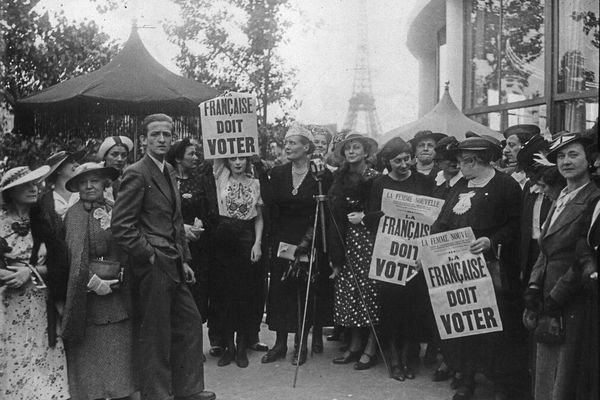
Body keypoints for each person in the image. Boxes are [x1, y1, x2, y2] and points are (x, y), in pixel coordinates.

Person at [111, 113, 215, 400]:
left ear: (171, 139)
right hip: (154, 265)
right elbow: (122, 226)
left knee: (190, 323)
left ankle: (188, 389)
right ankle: (157, 394)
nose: (161, 139)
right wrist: (150, 255)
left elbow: (175, 220)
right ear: (144, 139)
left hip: (174, 262)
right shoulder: (136, 172)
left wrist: (183, 259)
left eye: (166, 135)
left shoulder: (169, 170)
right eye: (155, 134)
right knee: (156, 333)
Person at [431, 137, 529, 400]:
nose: (460, 166)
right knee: (463, 324)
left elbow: (516, 224)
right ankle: (466, 377)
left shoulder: (505, 186)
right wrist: (428, 250)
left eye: (463, 161)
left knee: (495, 325)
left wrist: (491, 241)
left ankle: (500, 381)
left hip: (490, 267)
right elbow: (442, 221)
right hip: (456, 267)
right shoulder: (460, 184)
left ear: (475, 161)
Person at [524, 133, 600, 400]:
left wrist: (556, 299)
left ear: (588, 160)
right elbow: (545, 248)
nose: (566, 161)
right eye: (560, 156)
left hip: (572, 299)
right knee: (546, 372)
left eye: (573, 154)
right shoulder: (561, 197)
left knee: (566, 376)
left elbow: (586, 256)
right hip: (547, 295)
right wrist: (534, 286)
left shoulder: (594, 199)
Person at [62, 162, 137, 400]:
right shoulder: (73, 216)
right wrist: (93, 282)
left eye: (93, 180)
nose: (88, 186)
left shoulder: (115, 208)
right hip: (89, 296)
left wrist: (123, 273)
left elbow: (126, 244)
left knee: (117, 351)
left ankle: (120, 391)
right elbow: (73, 257)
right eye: (83, 182)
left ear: (104, 182)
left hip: (117, 293)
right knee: (90, 356)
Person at [262, 123, 333, 366]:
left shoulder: (320, 174)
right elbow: (271, 205)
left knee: (303, 291)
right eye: (287, 143)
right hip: (282, 240)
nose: (288, 146)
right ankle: (280, 344)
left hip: (308, 240)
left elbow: (323, 211)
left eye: (293, 142)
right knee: (280, 291)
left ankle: (300, 345)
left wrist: (309, 240)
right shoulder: (279, 173)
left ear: (306, 146)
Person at [367, 137, 435, 380]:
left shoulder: (424, 182)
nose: (405, 164)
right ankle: (394, 359)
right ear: (388, 162)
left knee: (414, 309)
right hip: (390, 256)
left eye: (408, 159)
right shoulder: (379, 184)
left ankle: (409, 358)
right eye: (398, 161)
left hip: (416, 256)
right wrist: (385, 215)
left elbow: (433, 218)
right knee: (390, 308)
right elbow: (371, 217)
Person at [0, 165, 70, 399]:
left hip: (40, 304)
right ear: (11, 192)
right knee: (13, 356)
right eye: (26, 185)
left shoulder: (46, 221)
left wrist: (28, 272)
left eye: (35, 183)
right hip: (6, 306)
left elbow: (60, 264)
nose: (34, 188)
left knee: (42, 356)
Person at [327, 132, 381, 370]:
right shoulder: (339, 177)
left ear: (366, 152)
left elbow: (383, 211)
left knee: (369, 292)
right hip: (346, 240)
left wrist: (365, 218)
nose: (351, 152)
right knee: (350, 292)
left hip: (369, 240)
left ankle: (371, 347)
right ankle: (354, 344)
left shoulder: (376, 178)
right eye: (347, 148)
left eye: (356, 147)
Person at [210, 156, 263, 368]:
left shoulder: (256, 183)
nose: (238, 162)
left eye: (242, 158)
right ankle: (228, 346)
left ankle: (242, 346)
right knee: (225, 294)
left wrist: (257, 243)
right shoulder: (221, 176)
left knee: (243, 294)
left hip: (245, 236)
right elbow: (216, 151)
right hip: (224, 236)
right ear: (227, 162)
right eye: (233, 158)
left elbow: (259, 216)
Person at [166, 138, 217, 326]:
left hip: (199, 245)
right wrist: (182, 230)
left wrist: (200, 222)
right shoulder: (167, 180)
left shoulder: (201, 179)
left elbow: (210, 208)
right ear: (178, 159)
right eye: (191, 154)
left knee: (198, 293)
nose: (196, 157)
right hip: (174, 244)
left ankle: (193, 345)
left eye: (196, 153)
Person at [40, 150, 84, 238]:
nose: (77, 165)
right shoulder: (45, 201)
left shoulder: (84, 194)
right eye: (71, 162)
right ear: (58, 169)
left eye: (76, 161)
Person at [97, 135, 134, 202]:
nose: (120, 159)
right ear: (105, 156)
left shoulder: (129, 176)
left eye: (123, 155)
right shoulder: (94, 174)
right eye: (114, 154)